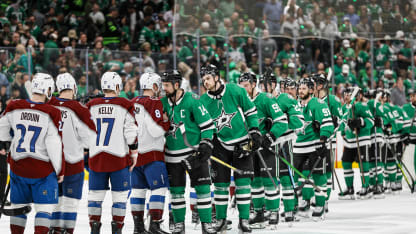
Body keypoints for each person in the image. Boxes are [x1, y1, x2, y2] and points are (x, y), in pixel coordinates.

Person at [200, 64, 261, 234]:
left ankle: (244, 220)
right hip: (220, 145)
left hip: (242, 142)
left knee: (243, 184)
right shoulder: (203, 101)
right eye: (203, 79)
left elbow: (250, 111)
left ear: (217, 77)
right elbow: (201, 126)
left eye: (208, 78)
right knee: (220, 185)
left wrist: (255, 130)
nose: (205, 82)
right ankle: (221, 220)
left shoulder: (236, 90)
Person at [0, 73, 64, 234]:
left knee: (18, 209)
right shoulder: (52, 112)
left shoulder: (15, 105)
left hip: (18, 167)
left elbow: (2, 128)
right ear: (48, 90)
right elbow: (54, 143)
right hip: (42, 170)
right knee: (44, 210)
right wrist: (60, 169)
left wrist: (6, 145)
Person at [160, 70, 217, 234]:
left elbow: (207, 126)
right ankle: (179, 224)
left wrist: (206, 144)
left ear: (176, 85)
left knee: (203, 188)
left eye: (167, 85)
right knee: (176, 192)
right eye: (163, 84)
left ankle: (206, 223)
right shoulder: (162, 102)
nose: (164, 88)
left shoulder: (193, 101)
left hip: (194, 154)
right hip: (171, 157)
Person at [86, 72, 138, 234]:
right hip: (118, 159)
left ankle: (94, 227)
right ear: (117, 86)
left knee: (95, 196)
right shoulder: (125, 103)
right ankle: (117, 229)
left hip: (96, 158)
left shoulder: (92, 104)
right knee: (120, 197)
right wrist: (134, 151)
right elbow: (130, 131)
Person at [238, 72, 288, 229]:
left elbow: (282, 121)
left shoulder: (265, 99)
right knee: (256, 182)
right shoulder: (240, 103)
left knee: (269, 180)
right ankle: (259, 213)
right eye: (241, 85)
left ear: (254, 84)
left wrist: (270, 136)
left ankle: (274, 211)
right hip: (250, 148)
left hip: (267, 146)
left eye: (246, 85)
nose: (243, 88)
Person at [48, 73, 97, 233]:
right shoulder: (79, 109)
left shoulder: (48, 105)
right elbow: (91, 140)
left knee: (54, 201)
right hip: (72, 164)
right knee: (70, 204)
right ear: (74, 87)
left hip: (49, 164)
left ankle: (53, 230)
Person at [130, 72, 170, 234]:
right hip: (153, 154)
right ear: (154, 86)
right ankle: (154, 225)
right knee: (159, 188)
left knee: (138, 191)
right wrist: (166, 122)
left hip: (135, 155)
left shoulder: (131, 102)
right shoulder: (155, 103)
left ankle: (138, 227)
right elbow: (157, 131)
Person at [293, 77, 334, 220]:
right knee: (298, 177)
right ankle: (300, 204)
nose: (300, 91)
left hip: (314, 145)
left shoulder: (318, 104)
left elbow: (327, 123)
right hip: (298, 146)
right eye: (299, 88)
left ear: (311, 90)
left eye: (304, 88)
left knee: (318, 176)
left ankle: (320, 205)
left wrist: (323, 139)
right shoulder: (295, 105)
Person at [313, 74, 343, 211]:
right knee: (314, 171)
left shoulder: (333, 101)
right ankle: (315, 197)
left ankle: (324, 199)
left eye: (312, 84)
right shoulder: (311, 100)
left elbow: (343, 122)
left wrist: (335, 122)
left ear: (320, 86)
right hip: (313, 142)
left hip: (328, 141)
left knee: (326, 171)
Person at [339, 87, 374, 199]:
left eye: (348, 94)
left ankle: (366, 187)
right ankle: (350, 188)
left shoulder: (361, 106)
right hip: (349, 141)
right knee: (345, 162)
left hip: (361, 138)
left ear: (357, 96)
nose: (346, 96)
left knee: (363, 163)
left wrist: (360, 122)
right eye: (344, 94)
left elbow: (371, 121)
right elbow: (342, 123)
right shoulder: (345, 107)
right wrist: (342, 131)